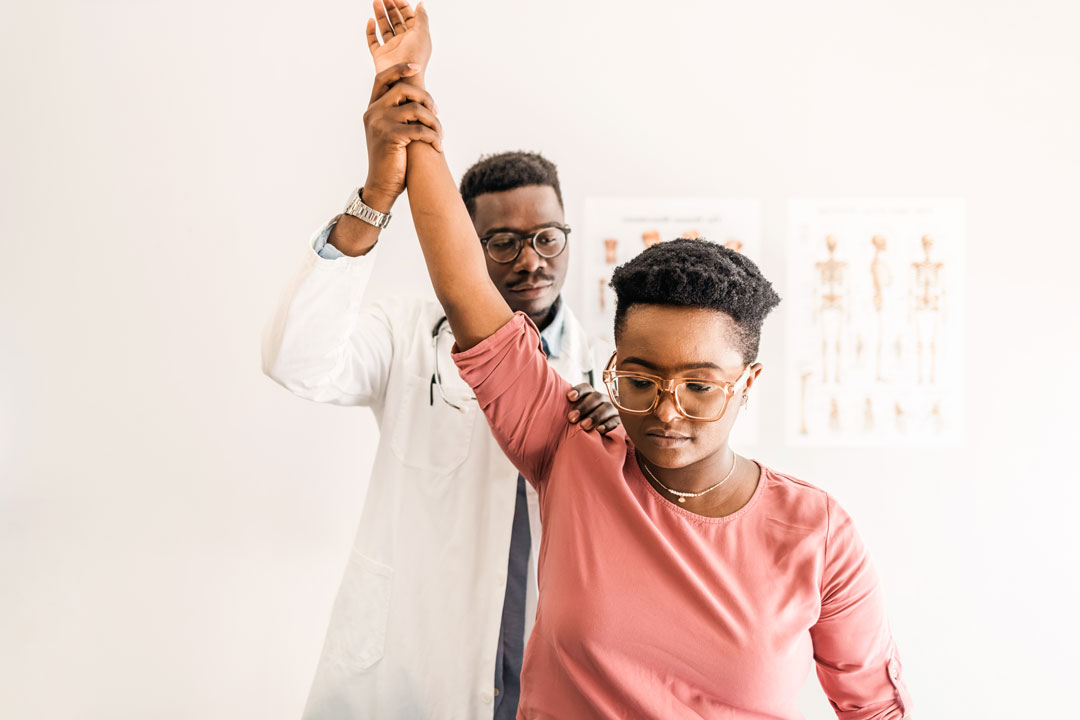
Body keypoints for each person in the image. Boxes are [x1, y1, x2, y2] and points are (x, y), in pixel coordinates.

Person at [369, 3, 913, 718]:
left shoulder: (817, 535)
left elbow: (874, 706)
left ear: (747, 384)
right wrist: (406, 83)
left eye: (699, 387)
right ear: (613, 363)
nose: (664, 410)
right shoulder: (571, 452)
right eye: (641, 378)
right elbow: (468, 287)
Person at [261, 10, 618, 719]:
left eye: (548, 237)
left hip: (549, 675)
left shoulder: (606, 369)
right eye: (503, 242)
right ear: (465, 239)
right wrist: (376, 196)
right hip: (412, 674)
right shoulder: (405, 335)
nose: (530, 260)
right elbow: (296, 360)